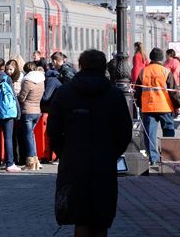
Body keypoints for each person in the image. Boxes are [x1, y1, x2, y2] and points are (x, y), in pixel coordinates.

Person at [48, 49, 132, 237]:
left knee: (81, 217)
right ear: (104, 67)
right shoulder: (115, 95)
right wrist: (112, 153)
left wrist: (64, 152)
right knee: (100, 218)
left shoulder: (64, 92)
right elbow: (125, 132)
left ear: (81, 65)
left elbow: (53, 131)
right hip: (104, 162)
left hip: (74, 161)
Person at [134, 48, 178, 165]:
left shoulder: (143, 71)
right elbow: (173, 91)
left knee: (150, 134)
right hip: (165, 107)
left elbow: (137, 92)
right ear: (161, 58)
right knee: (168, 131)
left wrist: (140, 105)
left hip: (148, 108)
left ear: (151, 57)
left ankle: (153, 159)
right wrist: (178, 105)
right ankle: (167, 157)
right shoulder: (165, 71)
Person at [18, 61, 45, 171]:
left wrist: (17, 96)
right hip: (37, 111)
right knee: (31, 136)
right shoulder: (41, 80)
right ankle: (36, 161)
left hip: (27, 111)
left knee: (28, 137)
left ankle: (30, 163)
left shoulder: (27, 81)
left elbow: (22, 97)